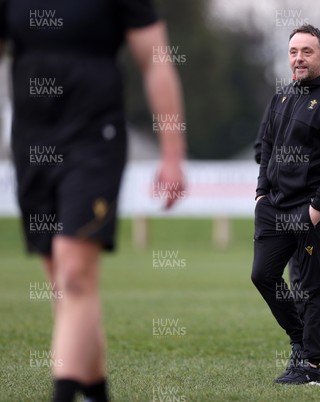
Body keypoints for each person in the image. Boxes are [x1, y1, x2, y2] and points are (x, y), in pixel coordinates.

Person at [0, 1, 186, 401]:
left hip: (94, 142)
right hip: (32, 145)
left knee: (74, 276)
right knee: (65, 286)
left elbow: (156, 63)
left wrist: (172, 154)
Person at [251, 24, 320, 385]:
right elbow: (266, 148)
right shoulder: (282, 97)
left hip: (310, 211)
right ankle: (301, 338)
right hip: (274, 208)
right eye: (293, 51)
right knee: (262, 276)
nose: (298, 58)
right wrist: (262, 192)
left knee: (311, 288)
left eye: (306, 52)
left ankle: (310, 366)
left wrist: (319, 206)